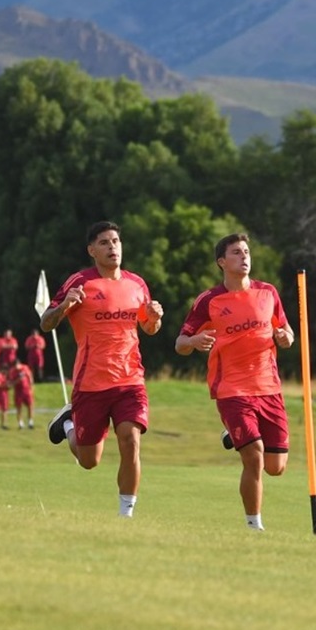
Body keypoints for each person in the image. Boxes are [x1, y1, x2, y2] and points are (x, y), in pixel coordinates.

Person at [41, 221, 164, 518]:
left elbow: (150, 328)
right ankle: (68, 423)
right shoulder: (80, 282)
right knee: (88, 460)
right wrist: (64, 307)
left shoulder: (137, 284)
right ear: (92, 250)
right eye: (106, 243)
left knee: (131, 440)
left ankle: (126, 514)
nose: (113, 247)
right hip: (91, 383)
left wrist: (155, 317)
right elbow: (46, 322)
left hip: (130, 380)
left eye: (117, 242)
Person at [175, 233, 296, 530]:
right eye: (236, 253)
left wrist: (285, 337)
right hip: (232, 389)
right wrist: (194, 340)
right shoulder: (210, 300)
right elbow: (180, 342)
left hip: (269, 387)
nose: (244, 257)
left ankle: (235, 435)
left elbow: (288, 333)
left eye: (246, 252)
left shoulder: (268, 292)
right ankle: (254, 525)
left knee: (276, 468)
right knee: (253, 455)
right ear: (222, 262)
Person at [11, 360, 35, 430]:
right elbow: (12, 383)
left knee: (30, 406)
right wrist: (18, 379)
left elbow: (30, 376)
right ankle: (20, 423)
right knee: (19, 408)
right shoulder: (13, 372)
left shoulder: (25, 368)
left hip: (27, 390)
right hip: (18, 392)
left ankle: (30, 421)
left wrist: (31, 387)